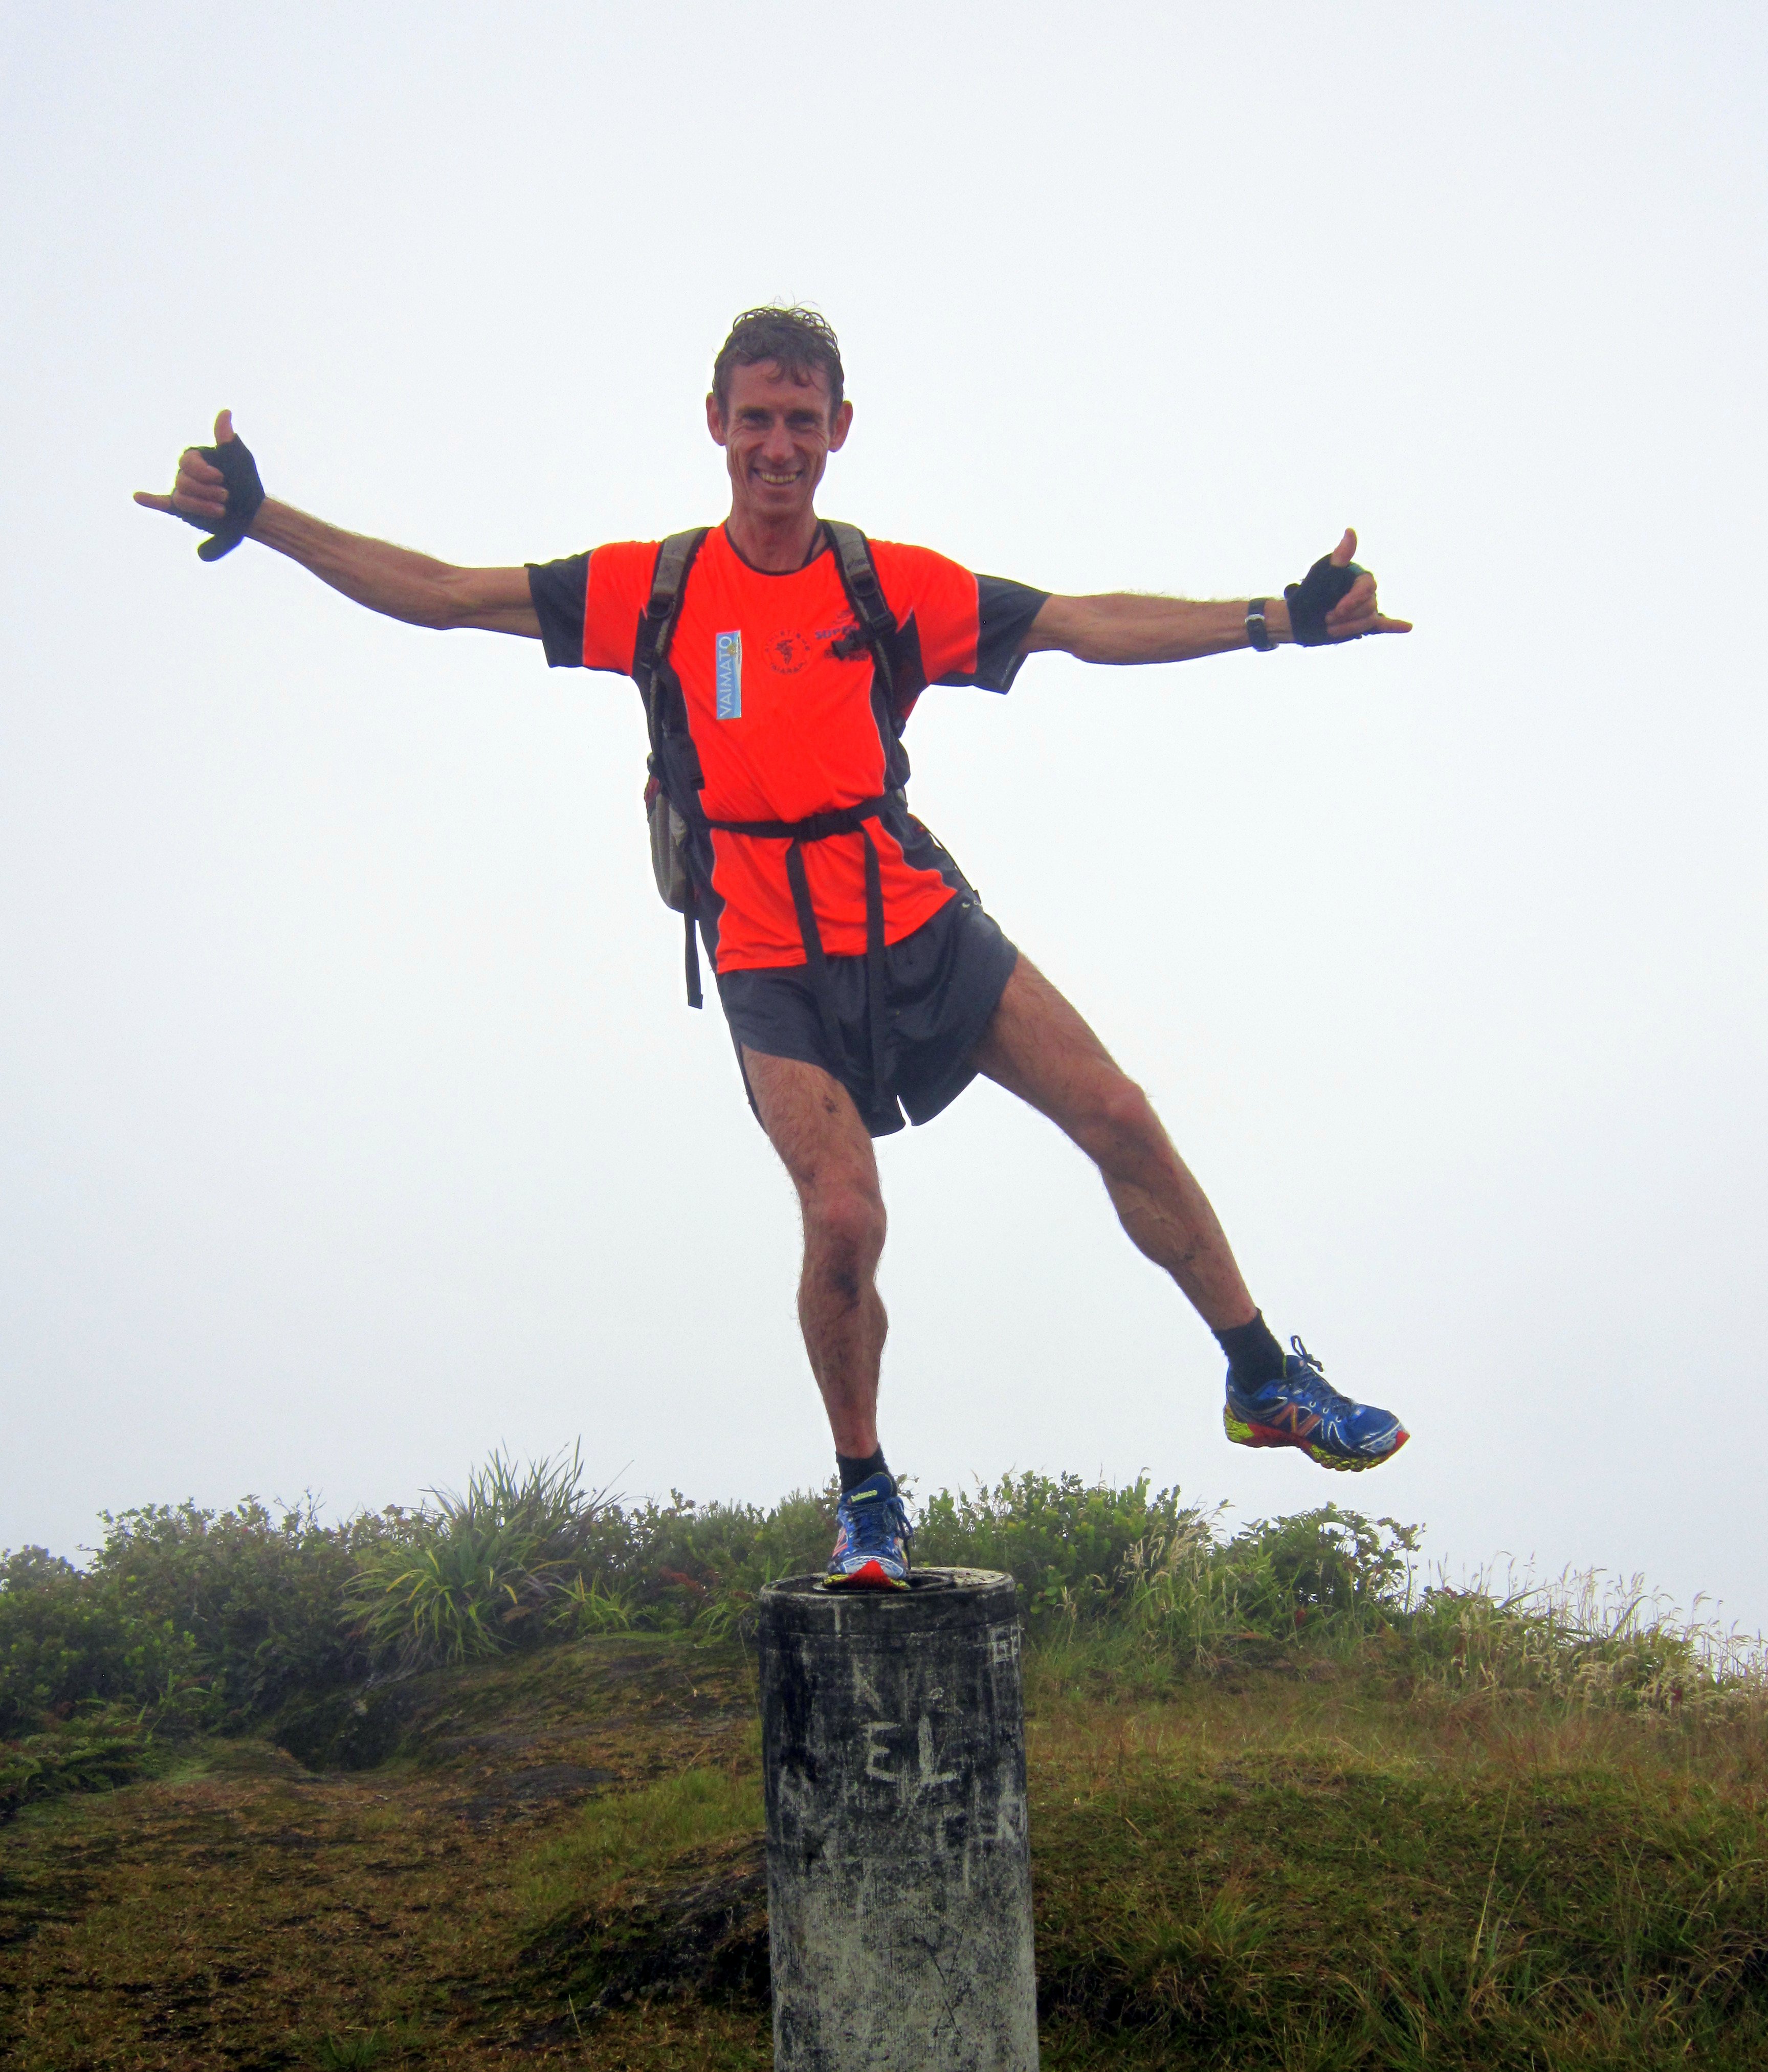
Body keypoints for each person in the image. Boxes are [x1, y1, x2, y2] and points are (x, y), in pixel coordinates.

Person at [136, 305, 1413, 1591]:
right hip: (765, 947)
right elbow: (447, 596)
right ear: (717, 426)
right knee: (845, 1214)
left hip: (910, 908)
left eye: (804, 421)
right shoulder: (660, 586)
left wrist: (1277, 619)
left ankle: (1264, 1380)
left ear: (839, 431)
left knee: (1121, 1115)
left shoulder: (882, 584)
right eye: (757, 418)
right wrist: (264, 518)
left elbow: (1080, 622)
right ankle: (866, 1493)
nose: (779, 445)